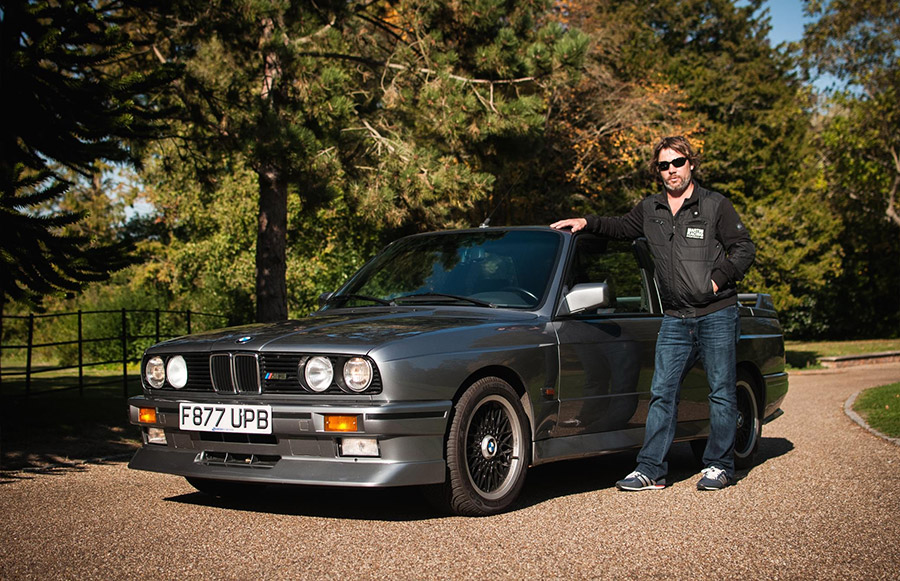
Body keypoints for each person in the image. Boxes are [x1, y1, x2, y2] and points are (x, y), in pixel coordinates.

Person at [551, 136, 755, 491]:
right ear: (657, 171)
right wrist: (585, 221)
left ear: (691, 163)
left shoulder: (714, 205)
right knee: (662, 392)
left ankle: (718, 465)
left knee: (721, 391)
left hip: (716, 313)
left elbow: (744, 248)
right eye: (664, 165)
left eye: (677, 163)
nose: (671, 170)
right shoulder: (651, 210)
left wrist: (716, 283)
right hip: (675, 317)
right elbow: (619, 227)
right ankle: (650, 470)